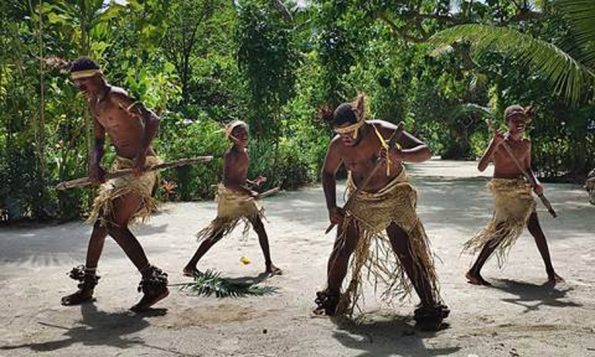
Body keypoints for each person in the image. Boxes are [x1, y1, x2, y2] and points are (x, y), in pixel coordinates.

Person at [314, 94, 449, 331]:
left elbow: (426, 151)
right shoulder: (337, 146)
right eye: (340, 133)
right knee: (343, 247)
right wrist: (331, 207)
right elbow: (327, 173)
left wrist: (401, 156)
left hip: (394, 194)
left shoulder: (382, 131)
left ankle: (429, 305)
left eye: (350, 132)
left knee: (404, 248)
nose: (345, 138)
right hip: (362, 197)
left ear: (361, 123)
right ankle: (331, 297)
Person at [61, 57, 168, 312]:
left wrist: (142, 153)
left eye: (83, 81)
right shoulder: (93, 103)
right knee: (101, 225)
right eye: (76, 83)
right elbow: (99, 140)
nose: (80, 87)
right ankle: (87, 286)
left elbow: (152, 119)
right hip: (122, 167)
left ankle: (154, 285)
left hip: (142, 166)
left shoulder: (116, 96)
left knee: (114, 226)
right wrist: (95, 164)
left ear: (97, 76)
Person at [464, 104, 563, 286]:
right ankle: (474, 271)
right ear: (507, 122)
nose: (519, 123)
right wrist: (494, 144)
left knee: (535, 229)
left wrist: (536, 183)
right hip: (504, 191)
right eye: (515, 120)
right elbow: (481, 167)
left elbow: (527, 168)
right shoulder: (500, 143)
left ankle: (550, 272)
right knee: (501, 231)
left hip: (522, 189)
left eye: (522, 120)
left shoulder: (526, 144)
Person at [183, 121, 281, 277]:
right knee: (218, 233)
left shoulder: (244, 152)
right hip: (230, 196)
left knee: (259, 227)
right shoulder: (231, 155)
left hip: (241, 194)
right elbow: (229, 182)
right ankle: (190, 265)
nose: (243, 136)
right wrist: (249, 193)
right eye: (239, 133)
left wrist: (253, 183)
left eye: (244, 132)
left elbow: (239, 177)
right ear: (231, 137)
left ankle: (269, 265)